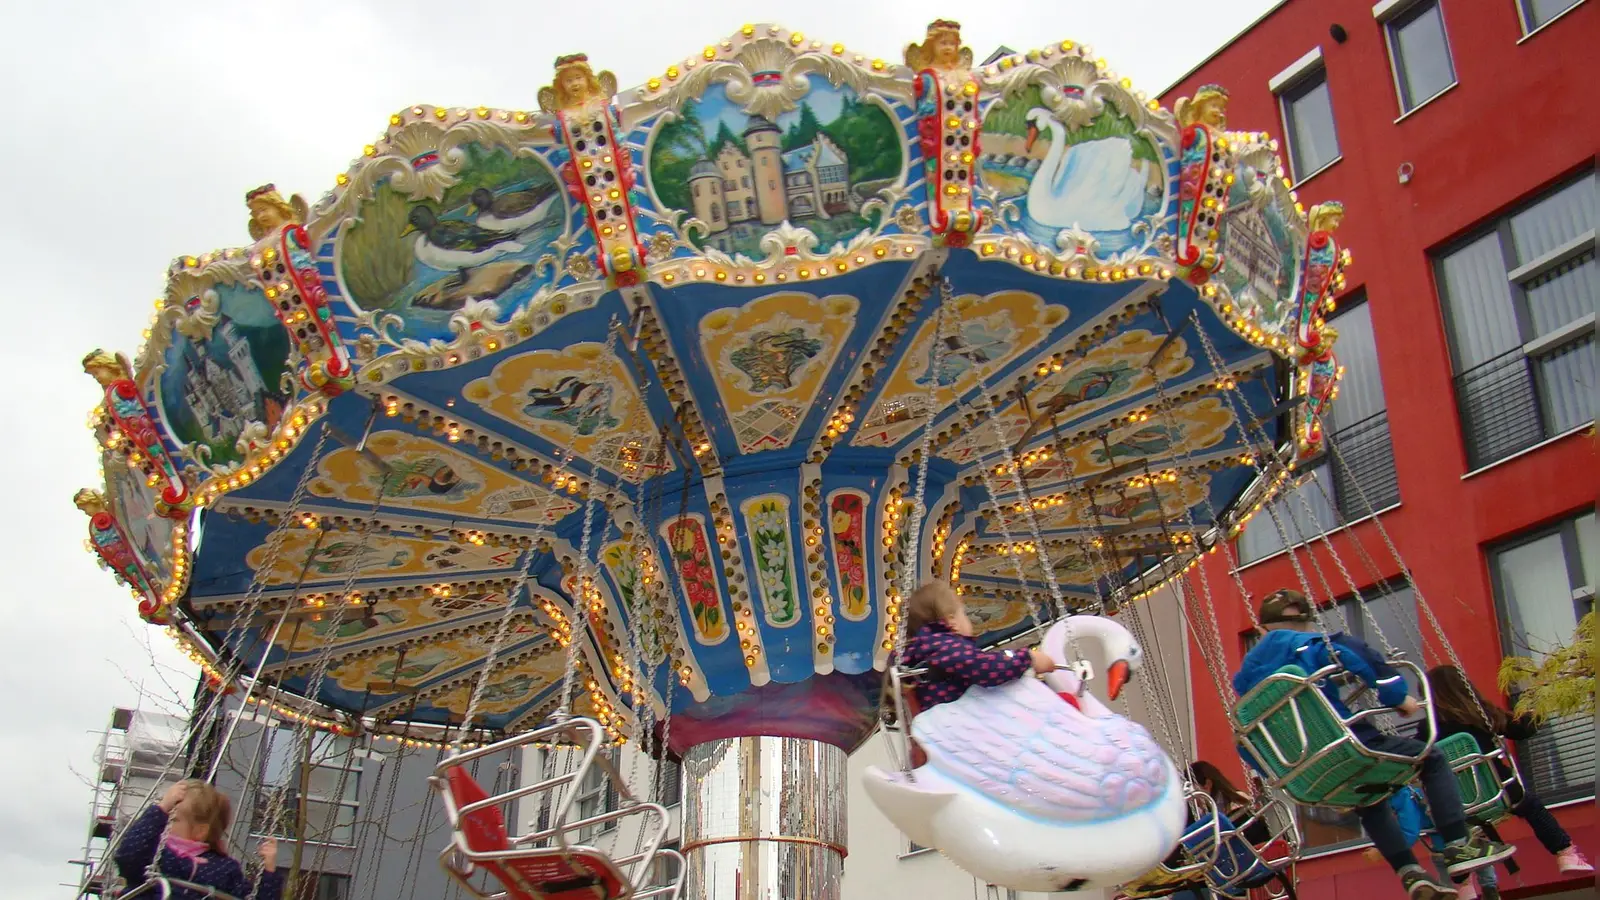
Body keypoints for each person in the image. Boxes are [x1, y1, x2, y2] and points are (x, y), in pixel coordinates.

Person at [1232, 590, 1514, 900]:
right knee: (1431, 758)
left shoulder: (1247, 683)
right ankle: (1458, 843)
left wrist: (1280, 773)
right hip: (1348, 746)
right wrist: (1397, 696)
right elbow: (1351, 652)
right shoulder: (1301, 643)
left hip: (1306, 771)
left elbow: (1245, 743)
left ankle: (1411, 874)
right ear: (1307, 621)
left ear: (1261, 630)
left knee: (1369, 797)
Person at [1425, 665, 1592, 876]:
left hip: (1457, 802)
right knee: (1532, 807)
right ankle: (1565, 853)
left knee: (1456, 839)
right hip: (1500, 789)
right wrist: (1537, 709)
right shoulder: (1479, 714)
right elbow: (1521, 729)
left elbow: (1418, 759)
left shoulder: (1427, 730)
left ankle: (1464, 886)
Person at [115, 779, 283, 900]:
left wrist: (269, 871)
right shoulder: (155, 854)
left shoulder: (223, 869)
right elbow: (128, 856)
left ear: (200, 831)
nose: (164, 823)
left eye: (173, 819)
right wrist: (161, 809)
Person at [901, 582, 1055, 710]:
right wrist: (1027, 658)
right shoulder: (945, 647)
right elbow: (986, 666)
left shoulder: (924, 653)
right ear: (952, 622)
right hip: (964, 719)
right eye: (964, 613)